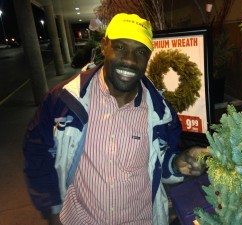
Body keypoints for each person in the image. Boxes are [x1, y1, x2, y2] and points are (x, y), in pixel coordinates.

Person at [23, 13, 208, 225]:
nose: (130, 60)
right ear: (104, 46)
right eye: (120, 47)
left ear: (149, 57)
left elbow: (159, 161)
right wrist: (52, 210)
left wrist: (177, 163)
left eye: (140, 51)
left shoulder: (161, 114)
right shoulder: (64, 101)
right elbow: (37, 151)